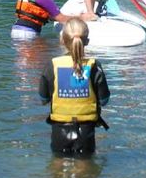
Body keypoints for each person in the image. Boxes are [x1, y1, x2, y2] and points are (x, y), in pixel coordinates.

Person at [39, 18, 110, 158]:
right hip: (86, 130)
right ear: (87, 42)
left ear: (62, 41)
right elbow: (104, 100)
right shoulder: (94, 66)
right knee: (85, 170)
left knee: (58, 168)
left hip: (59, 130)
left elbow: (43, 98)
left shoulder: (52, 65)